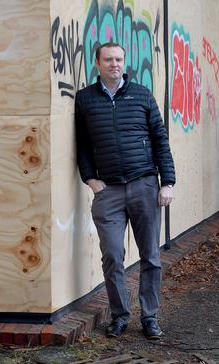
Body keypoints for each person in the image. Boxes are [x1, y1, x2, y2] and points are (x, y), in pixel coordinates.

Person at [74, 42, 175, 340]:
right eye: (108, 60)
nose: (114, 64)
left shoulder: (142, 94)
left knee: (150, 256)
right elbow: (81, 146)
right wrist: (90, 180)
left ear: (123, 62)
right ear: (98, 64)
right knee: (113, 256)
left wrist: (167, 182)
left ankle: (150, 316)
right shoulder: (85, 100)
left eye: (118, 59)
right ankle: (119, 315)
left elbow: (160, 139)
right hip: (109, 191)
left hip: (144, 184)